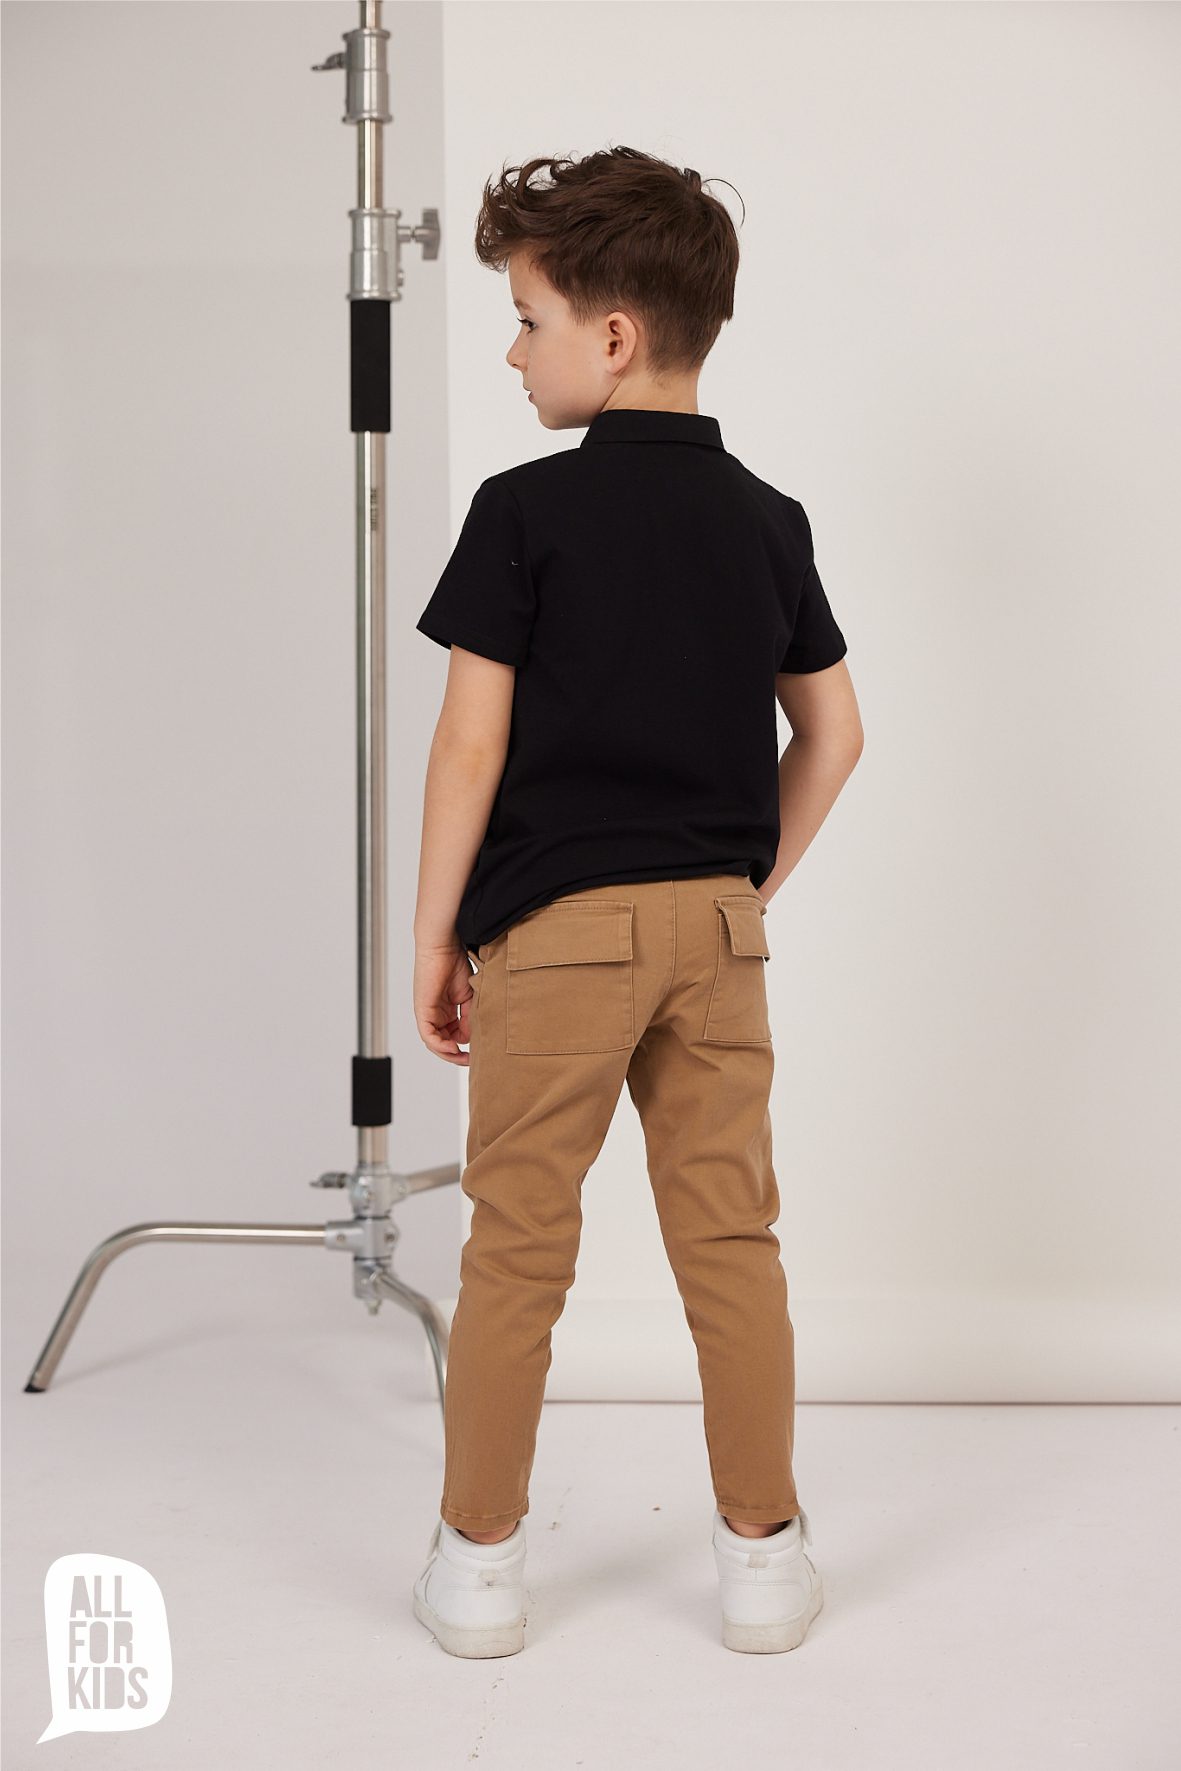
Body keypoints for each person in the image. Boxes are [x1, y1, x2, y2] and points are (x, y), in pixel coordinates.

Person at [410, 147, 863, 1658]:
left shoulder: (522, 512)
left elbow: (470, 743)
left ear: (611, 336)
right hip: (717, 939)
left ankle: (480, 1565)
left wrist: (437, 935)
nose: (512, 350)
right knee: (731, 1242)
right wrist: (742, 884)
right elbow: (835, 733)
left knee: (518, 1249)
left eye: (526, 317)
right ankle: (764, 1560)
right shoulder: (768, 518)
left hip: (557, 941)